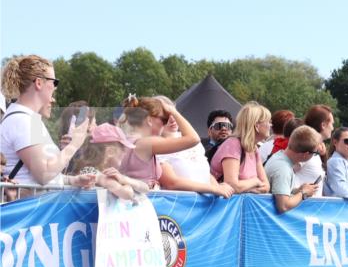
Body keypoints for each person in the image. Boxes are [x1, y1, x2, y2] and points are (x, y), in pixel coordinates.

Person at [0, 55, 95, 190]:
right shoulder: (24, 120)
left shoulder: (27, 118)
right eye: (54, 82)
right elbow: (43, 174)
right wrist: (75, 144)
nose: (55, 88)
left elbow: (40, 174)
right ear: (39, 83)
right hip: (30, 208)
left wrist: (73, 180)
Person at [153, 96, 234, 198]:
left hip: (204, 205)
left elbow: (204, 173)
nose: (172, 119)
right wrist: (214, 189)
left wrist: (218, 187)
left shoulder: (189, 139)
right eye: (165, 115)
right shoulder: (155, 146)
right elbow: (172, 183)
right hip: (181, 206)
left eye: (174, 113)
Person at [117, 95, 200, 189]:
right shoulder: (145, 143)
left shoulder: (127, 140)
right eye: (165, 119)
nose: (166, 123)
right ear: (149, 120)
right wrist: (174, 112)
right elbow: (193, 138)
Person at [70, 124, 152, 202]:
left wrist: (124, 179)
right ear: (110, 152)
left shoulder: (103, 172)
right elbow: (127, 194)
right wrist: (126, 185)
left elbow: (145, 188)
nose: (125, 153)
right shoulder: (90, 172)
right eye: (123, 148)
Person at [209, 101, 270, 194]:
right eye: (268, 122)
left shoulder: (254, 148)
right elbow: (232, 185)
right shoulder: (233, 145)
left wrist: (245, 188)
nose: (270, 125)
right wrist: (255, 181)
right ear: (257, 126)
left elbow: (266, 186)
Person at [267, 126, 323, 213]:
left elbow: (279, 191)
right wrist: (303, 193)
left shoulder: (280, 157)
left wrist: (298, 190)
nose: (315, 156)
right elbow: (283, 206)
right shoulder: (283, 168)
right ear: (306, 154)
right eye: (315, 153)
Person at [296, 105, 334, 193]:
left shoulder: (317, 150)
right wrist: (299, 192)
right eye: (332, 123)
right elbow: (288, 171)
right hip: (299, 205)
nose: (332, 128)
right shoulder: (305, 147)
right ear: (323, 125)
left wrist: (323, 156)